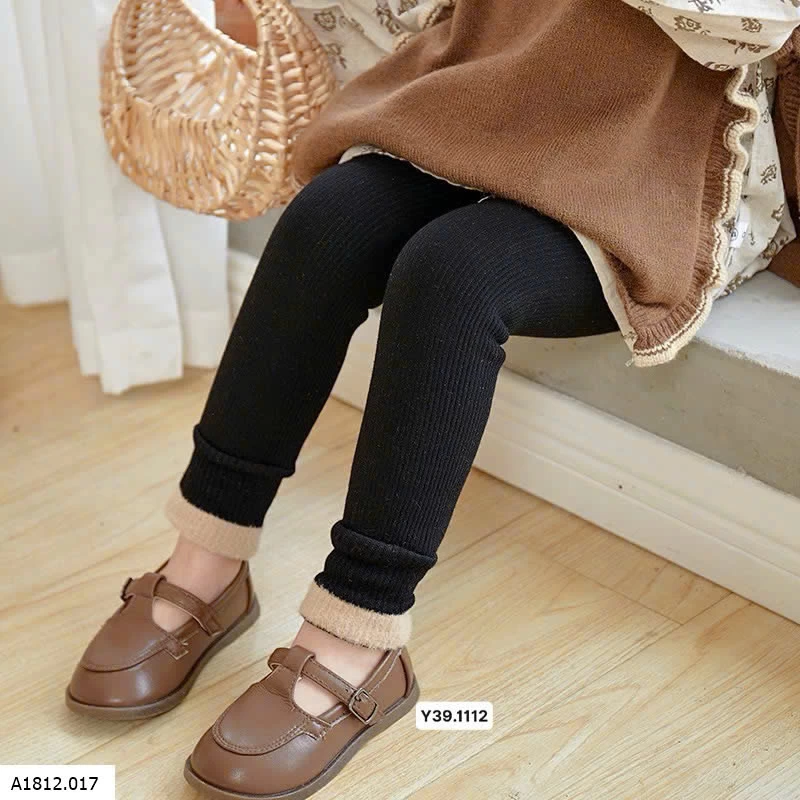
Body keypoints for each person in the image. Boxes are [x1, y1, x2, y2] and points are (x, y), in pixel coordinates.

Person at [66, 1, 800, 798]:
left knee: (454, 275)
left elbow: (755, 21)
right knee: (326, 222)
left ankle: (358, 633)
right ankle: (206, 556)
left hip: (656, 154)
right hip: (490, 98)